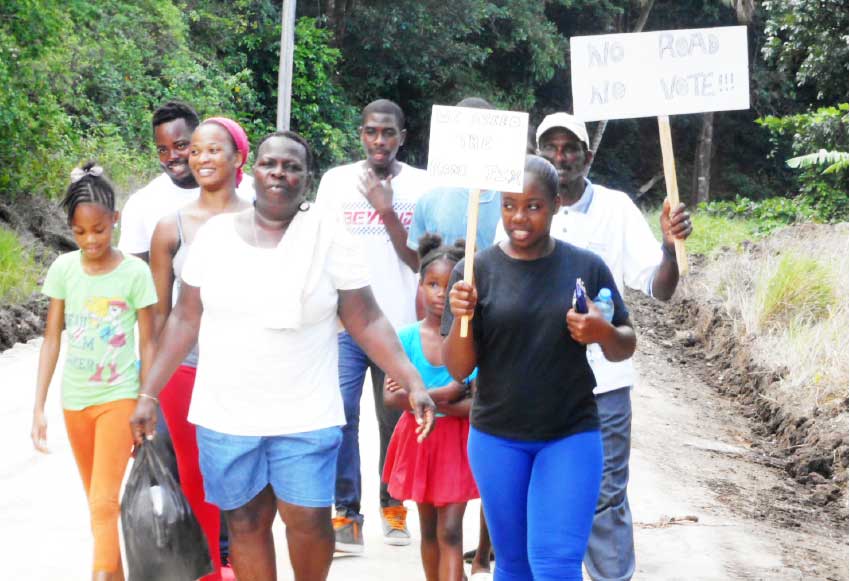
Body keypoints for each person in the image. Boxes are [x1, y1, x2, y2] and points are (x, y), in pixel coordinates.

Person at [130, 131, 436, 580]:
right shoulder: (215, 237)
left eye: (292, 166)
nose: (280, 173)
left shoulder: (329, 237)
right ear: (252, 170)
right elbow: (183, 319)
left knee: (309, 521)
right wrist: (148, 393)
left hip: (306, 413)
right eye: (270, 164)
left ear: (306, 179)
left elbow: (366, 319)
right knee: (245, 522)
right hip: (227, 414)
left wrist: (412, 380)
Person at [443, 155, 637, 580]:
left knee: (555, 563)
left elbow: (626, 344)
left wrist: (601, 331)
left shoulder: (585, 266)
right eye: (510, 205)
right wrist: (463, 317)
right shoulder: (474, 272)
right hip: (497, 438)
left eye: (534, 206)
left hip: (569, 435)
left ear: (556, 204)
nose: (520, 217)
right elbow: (459, 368)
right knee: (513, 564)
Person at [535, 112, 693, 581]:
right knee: (542, 492)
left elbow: (659, 288)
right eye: (551, 148)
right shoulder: (523, 204)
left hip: (604, 382)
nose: (560, 158)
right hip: (535, 383)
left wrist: (669, 249)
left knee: (604, 495)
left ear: (588, 155)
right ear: (539, 151)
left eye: (570, 149)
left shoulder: (617, 208)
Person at [134, 116, 251, 581]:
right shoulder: (170, 228)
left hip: (245, 371)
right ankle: (208, 574)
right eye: (195, 151)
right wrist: (148, 391)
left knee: (245, 485)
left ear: (239, 157)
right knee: (195, 482)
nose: (200, 159)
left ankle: (245, 567)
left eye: (212, 150)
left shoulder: (261, 219)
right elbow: (160, 319)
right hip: (186, 372)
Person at [31, 163, 157, 581]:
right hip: (75, 402)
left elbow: (148, 342)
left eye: (99, 230)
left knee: (105, 503)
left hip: (119, 398)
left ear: (115, 221)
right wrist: (38, 407)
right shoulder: (64, 270)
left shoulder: (135, 273)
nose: (90, 241)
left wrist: (146, 400)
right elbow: (52, 339)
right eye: (80, 232)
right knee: (98, 505)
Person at [316, 99, 428, 550]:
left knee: (393, 419)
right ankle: (347, 514)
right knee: (342, 415)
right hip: (345, 324)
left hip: (397, 326)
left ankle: (393, 506)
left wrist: (385, 209)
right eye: (370, 132)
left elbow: (420, 259)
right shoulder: (336, 182)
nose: (379, 141)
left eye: (388, 133)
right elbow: (320, 249)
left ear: (403, 136)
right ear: (360, 134)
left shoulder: (422, 187)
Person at [382, 234, 479, 581]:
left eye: (448, 284)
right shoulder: (405, 337)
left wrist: (420, 394)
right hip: (420, 441)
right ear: (420, 286)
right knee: (428, 531)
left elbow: (474, 404)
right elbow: (390, 397)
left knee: (450, 531)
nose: (440, 293)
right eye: (432, 284)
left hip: (456, 443)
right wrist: (447, 395)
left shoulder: (472, 338)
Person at [118, 101, 254, 262]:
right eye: (162, 150)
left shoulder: (249, 192)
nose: (172, 157)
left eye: (181, 145)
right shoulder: (141, 204)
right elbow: (135, 276)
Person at [407, 98, 502, 254]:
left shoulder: (510, 202)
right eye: (467, 134)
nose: (473, 140)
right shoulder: (429, 198)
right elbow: (419, 261)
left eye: (480, 134)